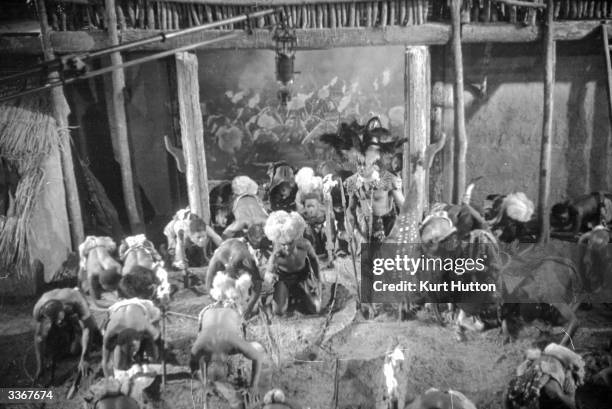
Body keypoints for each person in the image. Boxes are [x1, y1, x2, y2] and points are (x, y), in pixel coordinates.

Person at [33, 288, 100, 381]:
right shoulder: (38, 309)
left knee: (76, 349)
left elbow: (87, 328)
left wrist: (85, 358)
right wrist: (40, 366)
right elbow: (39, 337)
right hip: (57, 306)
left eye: (60, 320)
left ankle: (89, 338)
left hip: (73, 307)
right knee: (48, 336)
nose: (59, 322)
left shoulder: (77, 301)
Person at [264, 211, 322, 316]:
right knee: (279, 311)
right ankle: (288, 294)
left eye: (289, 243)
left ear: (295, 238)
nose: (286, 247)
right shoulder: (276, 255)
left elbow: (314, 260)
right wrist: (269, 277)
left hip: (303, 276)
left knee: (315, 309)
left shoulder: (305, 245)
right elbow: (269, 272)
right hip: (284, 279)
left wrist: (318, 279)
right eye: (283, 244)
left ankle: (298, 293)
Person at [102, 298, 162, 378]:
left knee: (153, 358)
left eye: (133, 348)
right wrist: (109, 380)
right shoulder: (110, 332)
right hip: (116, 308)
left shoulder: (144, 325)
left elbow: (157, 336)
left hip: (143, 306)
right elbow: (105, 361)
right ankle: (130, 359)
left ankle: (142, 354)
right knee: (120, 365)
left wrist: (159, 348)